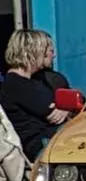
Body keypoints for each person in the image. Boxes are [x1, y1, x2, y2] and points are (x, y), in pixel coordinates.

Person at [0, 30, 70, 162]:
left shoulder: (37, 79)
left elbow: (72, 99)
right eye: (47, 51)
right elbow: (52, 113)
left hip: (53, 139)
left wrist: (66, 108)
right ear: (34, 52)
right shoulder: (15, 84)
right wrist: (64, 108)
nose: (52, 55)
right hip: (40, 145)